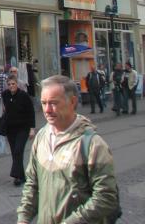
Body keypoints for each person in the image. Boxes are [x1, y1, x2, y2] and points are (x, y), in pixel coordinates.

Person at [17, 75, 120, 224]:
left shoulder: (92, 144)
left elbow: (106, 197)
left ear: (72, 102)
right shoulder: (42, 137)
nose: (47, 110)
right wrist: (23, 218)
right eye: (44, 103)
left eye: (53, 103)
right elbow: (32, 184)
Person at [0, 75, 35, 186]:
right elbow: (6, 110)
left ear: (17, 84)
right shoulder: (5, 95)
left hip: (23, 128)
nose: (11, 86)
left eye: (13, 84)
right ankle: (21, 177)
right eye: (9, 84)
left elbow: (31, 112)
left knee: (18, 150)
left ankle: (16, 175)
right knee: (15, 152)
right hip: (11, 128)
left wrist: (32, 129)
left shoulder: (24, 96)